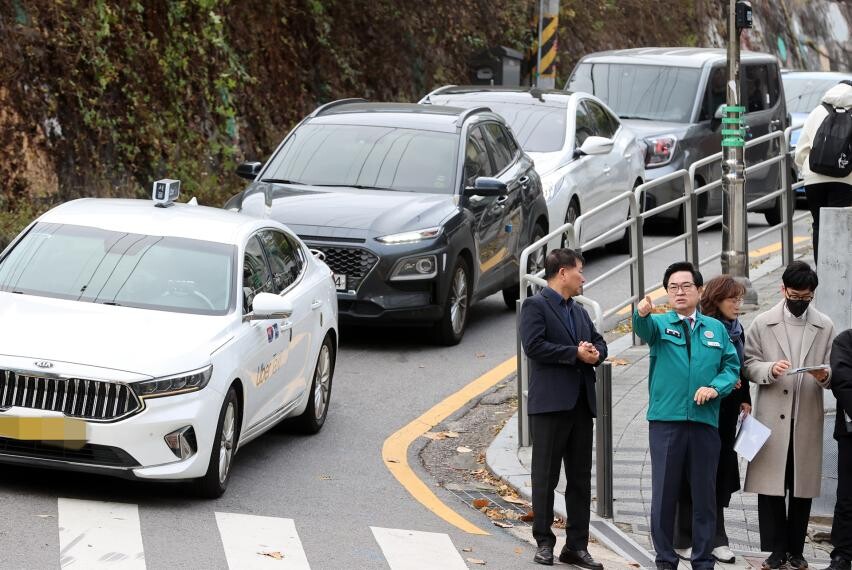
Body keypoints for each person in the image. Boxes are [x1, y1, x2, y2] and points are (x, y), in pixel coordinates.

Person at [633, 261, 739, 570]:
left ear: (700, 290)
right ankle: (665, 560)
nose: (679, 292)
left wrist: (715, 388)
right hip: (666, 422)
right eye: (673, 288)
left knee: (705, 495)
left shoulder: (716, 329)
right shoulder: (659, 324)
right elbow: (643, 329)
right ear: (667, 293)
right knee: (664, 494)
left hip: (705, 422)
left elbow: (731, 367)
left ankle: (703, 560)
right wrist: (641, 313)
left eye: (686, 286)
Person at [743, 261, 835, 570]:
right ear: (783, 289)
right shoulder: (763, 322)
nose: (799, 302)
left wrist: (824, 375)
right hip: (771, 416)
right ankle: (775, 551)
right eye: (794, 296)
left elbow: (832, 369)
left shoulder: (825, 325)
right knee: (771, 487)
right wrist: (770, 369)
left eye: (806, 297)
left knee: (801, 488)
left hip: (806, 414)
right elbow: (748, 364)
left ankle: (796, 551)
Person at [520, 248, 608, 568]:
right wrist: (575, 353)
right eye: (579, 271)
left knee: (580, 479)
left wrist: (594, 353)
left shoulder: (580, 311)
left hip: (581, 405)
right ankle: (544, 541)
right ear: (562, 273)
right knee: (546, 476)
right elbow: (534, 346)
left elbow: (600, 343)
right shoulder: (535, 305)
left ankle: (576, 546)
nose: (583, 277)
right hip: (550, 405)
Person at [672, 275, 751, 564]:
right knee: (692, 471)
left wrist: (745, 397)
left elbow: (739, 366)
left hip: (728, 410)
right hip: (701, 407)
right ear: (717, 300)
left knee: (720, 472)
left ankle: (717, 537)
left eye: (740, 299)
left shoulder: (737, 330)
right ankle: (683, 537)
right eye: (732, 300)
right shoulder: (701, 326)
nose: (738, 305)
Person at [794, 80, 852, 263]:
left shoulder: (817, 112)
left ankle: (822, 270)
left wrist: (808, 172)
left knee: (819, 225)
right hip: (846, 180)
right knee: (841, 228)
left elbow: (800, 152)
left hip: (814, 179)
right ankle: (839, 272)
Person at [825, 329, 852, 570]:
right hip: (851, 433)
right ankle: (843, 555)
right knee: (847, 497)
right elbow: (842, 381)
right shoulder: (846, 340)